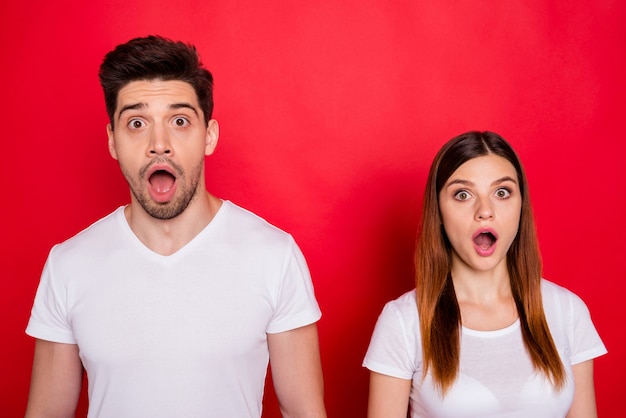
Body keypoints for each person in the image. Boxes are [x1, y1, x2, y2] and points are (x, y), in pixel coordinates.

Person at [25, 35, 326, 418]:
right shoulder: (68, 264)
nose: (159, 143)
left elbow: (304, 412)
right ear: (112, 141)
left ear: (209, 136)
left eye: (180, 121)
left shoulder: (274, 256)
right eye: (136, 123)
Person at [363, 131, 606, 417]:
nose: (485, 211)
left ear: (521, 206)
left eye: (502, 192)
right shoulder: (403, 321)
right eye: (463, 195)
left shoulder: (567, 310)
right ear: (438, 212)